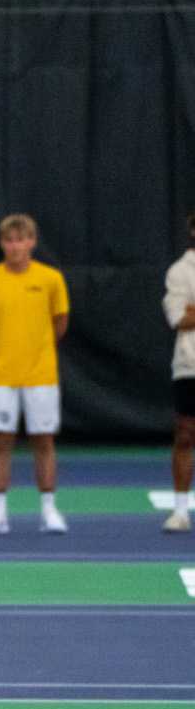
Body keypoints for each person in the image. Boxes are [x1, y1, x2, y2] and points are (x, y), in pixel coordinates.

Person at [0, 213, 72, 534]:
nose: (16, 246)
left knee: (44, 441)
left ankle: (49, 510)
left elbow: (59, 322)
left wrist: (36, 349)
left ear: (32, 242)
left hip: (41, 375)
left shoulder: (51, 279)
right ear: (2, 243)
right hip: (1, 375)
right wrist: (6, 351)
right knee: (1, 440)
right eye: (9, 240)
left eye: (22, 239)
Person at [160, 213, 195, 533]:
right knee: (185, 433)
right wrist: (188, 313)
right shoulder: (180, 272)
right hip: (190, 364)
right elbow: (179, 319)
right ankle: (181, 510)